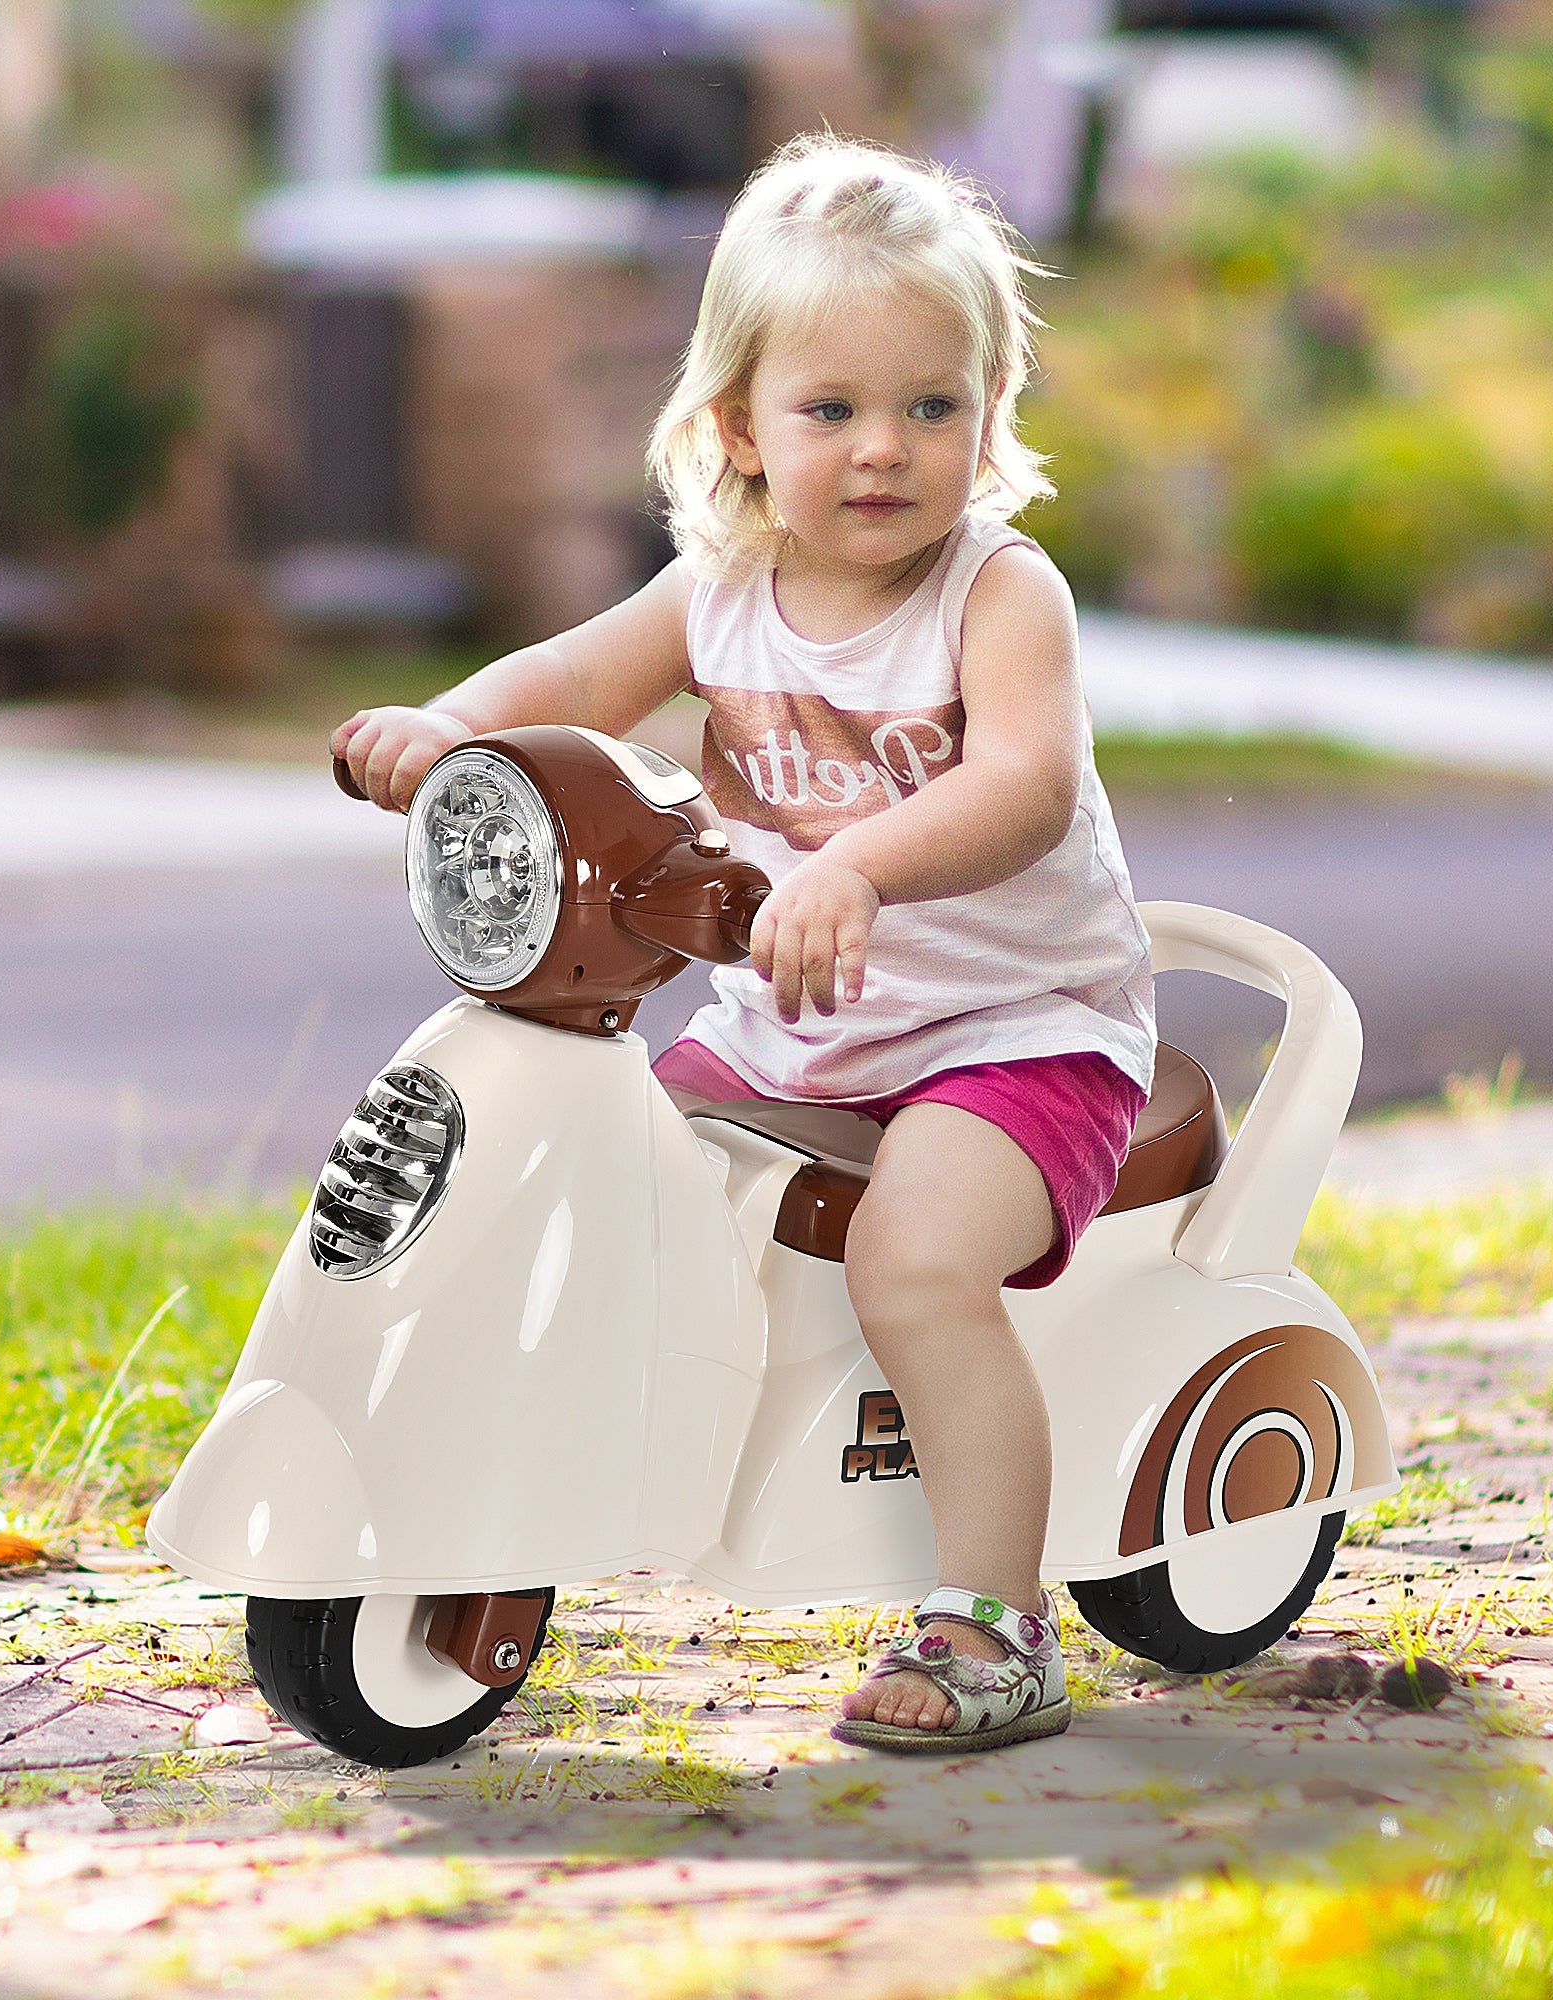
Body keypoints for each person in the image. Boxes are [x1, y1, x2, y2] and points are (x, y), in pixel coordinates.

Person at [332, 134, 1157, 1754]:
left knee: (913, 1257)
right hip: (800, 1025)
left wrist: (858, 864)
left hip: (1019, 1030)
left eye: (933, 405)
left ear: (991, 411)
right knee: (613, 1182)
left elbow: (1026, 787)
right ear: (739, 428)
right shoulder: (725, 584)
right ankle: (569, 1483)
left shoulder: (1003, 592)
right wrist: (450, 724)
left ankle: (995, 1622)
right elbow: (571, 681)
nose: (883, 450)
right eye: (831, 409)